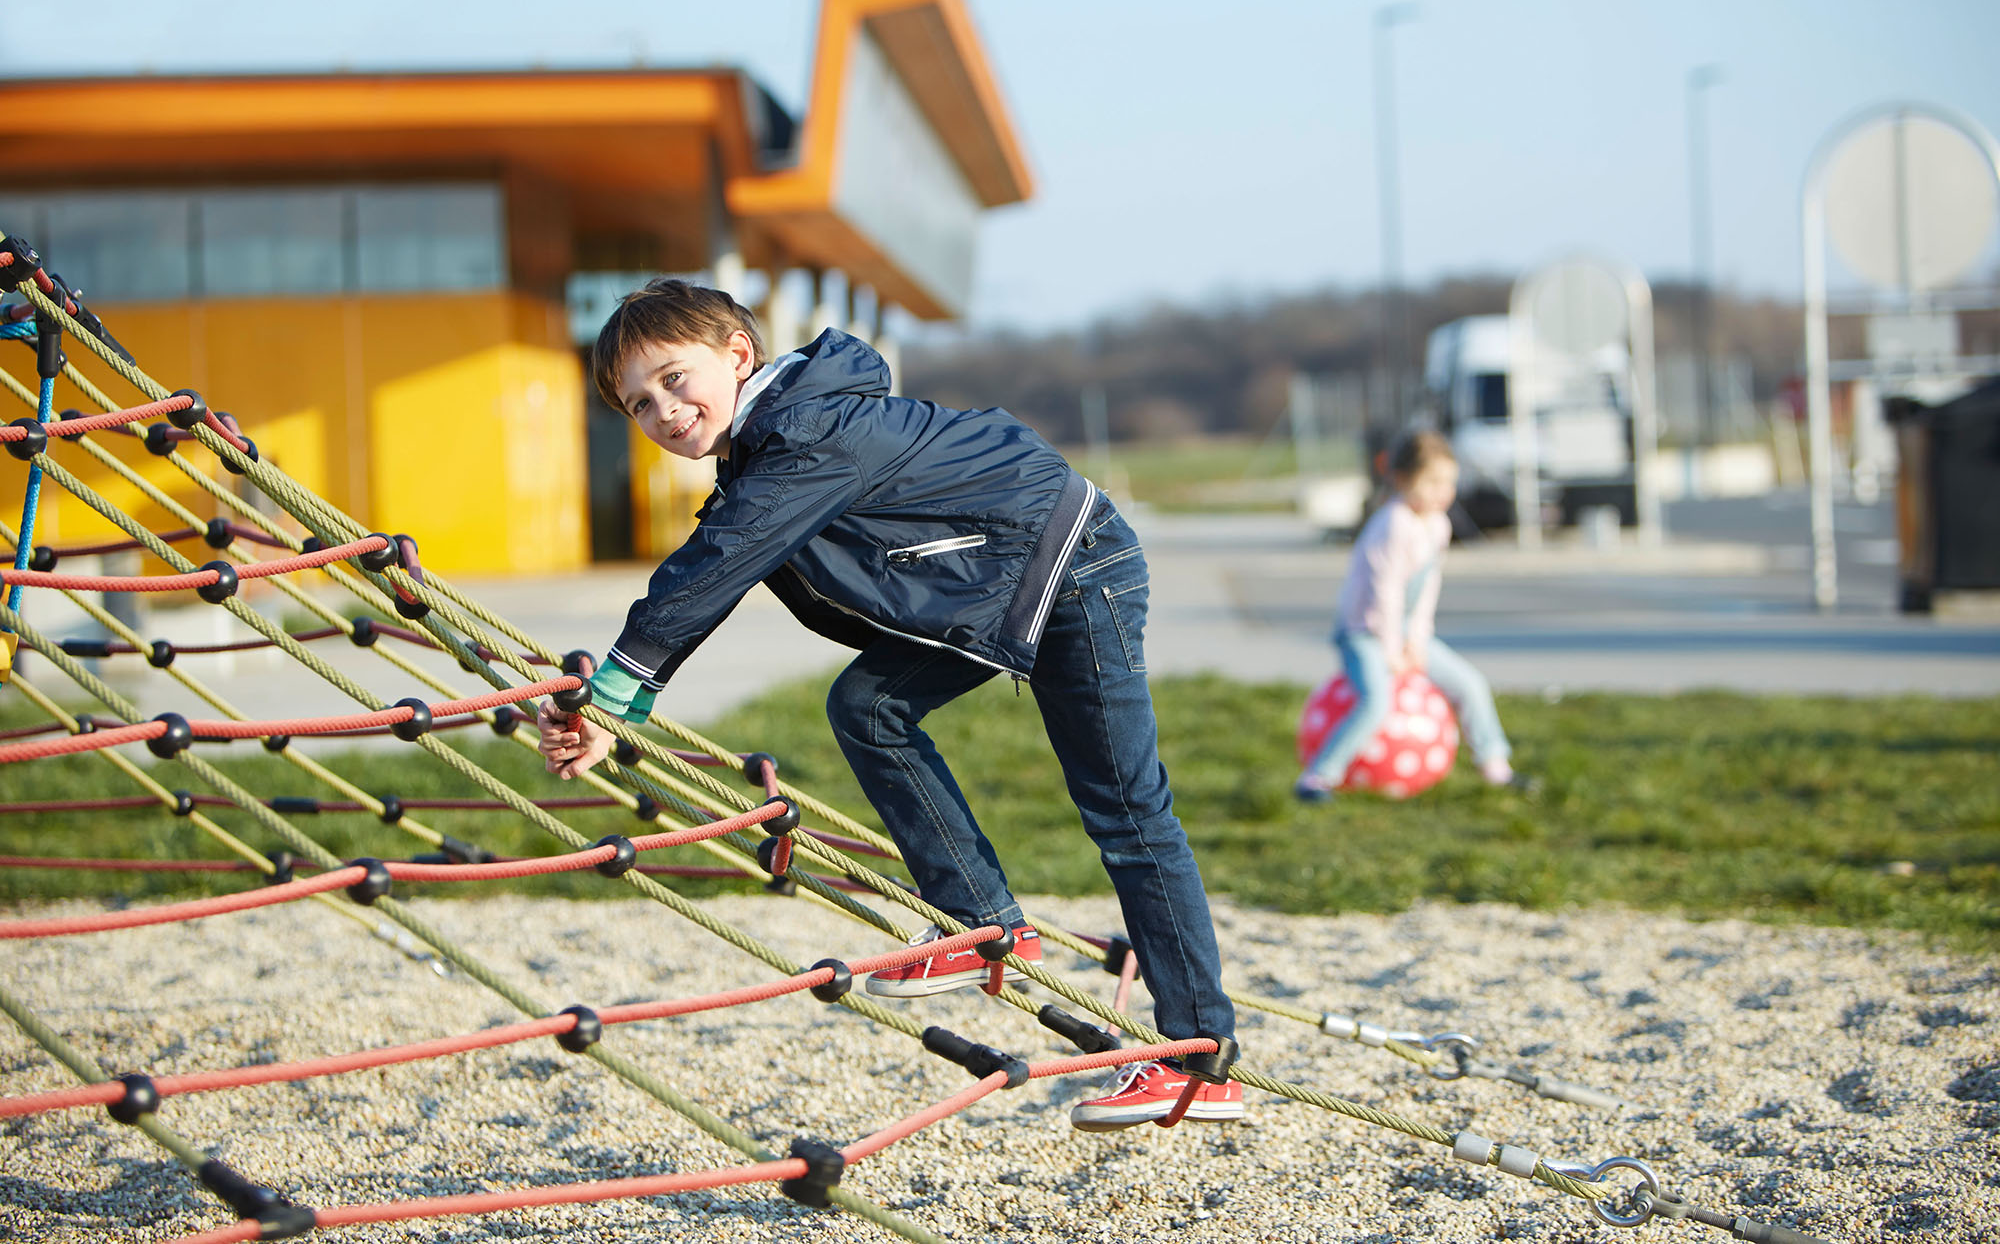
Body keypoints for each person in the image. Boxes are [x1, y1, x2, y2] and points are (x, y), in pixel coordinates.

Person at [536, 279, 1241, 1130]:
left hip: (1071, 565)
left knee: (1124, 809)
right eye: (640, 404)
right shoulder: (768, 448)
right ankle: (981, 921)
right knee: (868, 705)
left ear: (737, 354)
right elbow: (723, 554)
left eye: (674, 379)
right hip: (997, 576)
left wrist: (615, 696)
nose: (664, 411)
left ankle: (1200, 1059)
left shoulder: (809, 431)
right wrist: (613, 705)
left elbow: (715, 563)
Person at [1294, 429, 1528, 800]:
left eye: (1449, 482)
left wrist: (1416, 641)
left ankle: (1495, 766)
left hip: (1405, 632)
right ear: (1402, 479)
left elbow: (1427, 589)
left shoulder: (1438, 524)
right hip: (1363, 634)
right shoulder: (1392, 524)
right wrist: (1391, 652)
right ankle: (1318, 778)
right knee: (1376, 702)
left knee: (1471, 685)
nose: (1443, 492)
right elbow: (1384, 594)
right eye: (1432, 482)